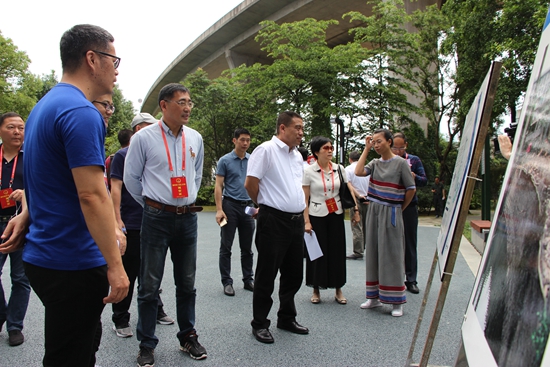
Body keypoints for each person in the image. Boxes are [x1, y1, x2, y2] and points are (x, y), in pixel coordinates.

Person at [0, 24, 129, 367]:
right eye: (114, 60)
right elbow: (91, 195)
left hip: (45, 255)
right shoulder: (81, 112)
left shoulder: (44, 106)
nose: (116, 70)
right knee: (69, 356)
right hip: (72, 261)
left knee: (77, 347)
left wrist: (26, 212)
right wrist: (115, 267)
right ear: (92, 58)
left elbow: (45, 177)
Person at [124, 83, 206, 366]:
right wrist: (153, 204)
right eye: (181, 101)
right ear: (164, 105)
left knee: (187, 282)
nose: (187, 107)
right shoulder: (143, 138)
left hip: (188, 218)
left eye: (189, 102)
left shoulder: (195, 138)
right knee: (149, 284)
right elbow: (132, 180)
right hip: (156, 218)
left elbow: (196, 175)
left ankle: (187, 336)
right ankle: (147, 343)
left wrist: (185, 199)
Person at [245, 111, 309, 344]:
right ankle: (260, 323)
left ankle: (286, 317)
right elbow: (251, 183)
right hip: (273, 220)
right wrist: (262, 205)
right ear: (282, 128)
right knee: (266, 274)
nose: (301, 133)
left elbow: (297, 187)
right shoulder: (265, 150)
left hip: (295, 221)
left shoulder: (297, 156)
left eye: (302, 128)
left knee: (294, 274)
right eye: (297, 128)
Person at [110, 114, 174, 339]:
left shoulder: (156, 153)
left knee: (153, 270)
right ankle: (120, 317)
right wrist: (117, 221)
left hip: (155, 220)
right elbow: (115, 188)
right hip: (132, 222)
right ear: (138, 129)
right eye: (151, 127)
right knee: (129, 270)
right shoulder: (122, 155)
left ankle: (156, 310)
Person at [355, 129, 415, 317]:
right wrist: (366, 149)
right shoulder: (374, 163)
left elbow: (411, 189)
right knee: (373, 251)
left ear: (389, 142)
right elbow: (358, 171)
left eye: (379, 141)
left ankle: (396, 301)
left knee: (393, 254)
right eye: (373, 142)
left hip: (391, 210)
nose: (376, 144)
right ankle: (374, 297)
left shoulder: (401, 164)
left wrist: (398, 208)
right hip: (373, 210)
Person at [303, 136, 359, 305]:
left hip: (336, 214)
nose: (329, 151)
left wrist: (355, 210)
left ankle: (338, 288)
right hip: (316, 214)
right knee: (316, 252)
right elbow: (304, 198)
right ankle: (316, 288)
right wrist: (306, 221)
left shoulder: (339, 168)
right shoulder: (308, 171)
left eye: (331, 148)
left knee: (337, 251)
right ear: (316, 152)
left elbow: (348, 189)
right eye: (325, 148)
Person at [0, 112, 30, 347]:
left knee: (20, 278)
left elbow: (42, 185)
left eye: (21, 128)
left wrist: (26, 194)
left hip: (21, 222)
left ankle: (14, 326)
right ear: (1, 130)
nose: (18, 132)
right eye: (12, 127)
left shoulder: (30, 157)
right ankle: (2, 312)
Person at [215, 128, 255, 297]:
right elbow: (218, 186)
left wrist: (258, 205)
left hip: (248, 206)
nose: (245, 143)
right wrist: (219, 209)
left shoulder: (252, 160)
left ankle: (248, 279)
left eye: (248, 140)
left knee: (247, 248)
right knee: (226, 246)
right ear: (235, 140)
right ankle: (227, 281)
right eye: (242, 140)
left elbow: (257, 183)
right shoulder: (225, 160)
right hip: (230, 205)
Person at [391, 132, 427, 294]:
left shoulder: (414, 160)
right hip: (391, 205)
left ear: (406, 145)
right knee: (391, 242)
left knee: (410, 242)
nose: (398, 151)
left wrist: (413, 176)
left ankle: (411, 279)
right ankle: (392, 278)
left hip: (409, 206)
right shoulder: (387, 161)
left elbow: (424, 180)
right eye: (395, 147)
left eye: (401, 147)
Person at [344, 150, 370, 260]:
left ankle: (358, 251)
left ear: (350, 159)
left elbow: (349, 186)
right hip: (368, 198)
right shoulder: (366, 168)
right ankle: (368, 248)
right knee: (367, 226)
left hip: (356, 198)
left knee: (357, 226)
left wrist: (358, 195)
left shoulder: (348, 170)